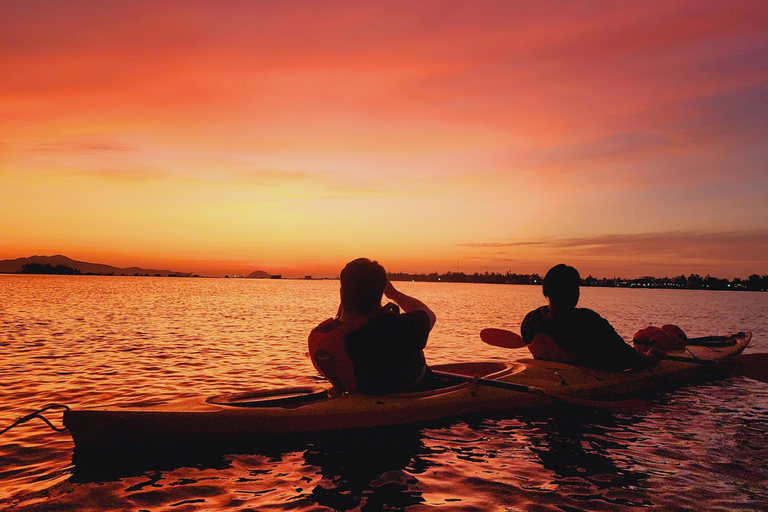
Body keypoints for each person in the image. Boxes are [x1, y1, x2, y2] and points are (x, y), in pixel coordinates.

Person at [308, 258, 437, 394]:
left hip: (356, 397)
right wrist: (392, 293)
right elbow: (429, 316)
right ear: (380, 292)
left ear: (342, 292)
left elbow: (344, 320)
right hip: (409, 399)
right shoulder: (389, 328)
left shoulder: (321, 334)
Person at [521, 264, 658, 371]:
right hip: (586, 378)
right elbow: (626, 357)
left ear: (547, 290)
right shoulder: (586, 321)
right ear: (574, 293)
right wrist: (650, 357)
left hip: (546, 375)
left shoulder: (530, 320)